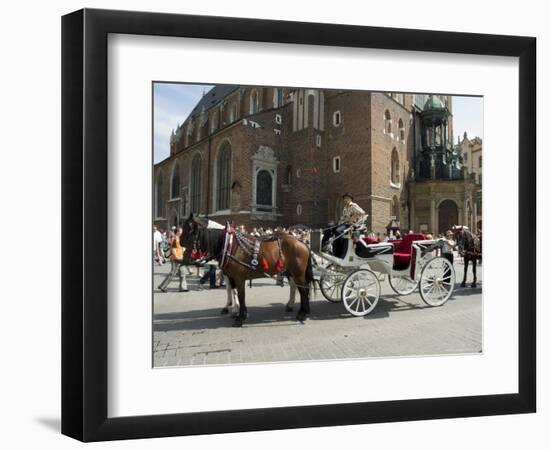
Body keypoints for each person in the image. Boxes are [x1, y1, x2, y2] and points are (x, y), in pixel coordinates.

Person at [323, 193, 366, 258]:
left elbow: (362, 212)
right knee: (329, 227)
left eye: (346, 198)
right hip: (342, 223)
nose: (345, 200)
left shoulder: (353, 205)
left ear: (350, 199)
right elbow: (343, 218)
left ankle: (338, 252)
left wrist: (353, 218)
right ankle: (324, 245)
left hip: (349, 224)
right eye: (344, 199)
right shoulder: (345, 207)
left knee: (338, 231)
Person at [158, 227, 189, 293]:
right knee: (172, 273)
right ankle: (162, 286)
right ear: (177, 232)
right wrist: (177, 257)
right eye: (181, 231)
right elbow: (173, 249)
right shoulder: (174, 239)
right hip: (176, 259)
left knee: (183, 273)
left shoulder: (179, 238)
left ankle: (183, 288)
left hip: (180, 258)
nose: (182, 233)